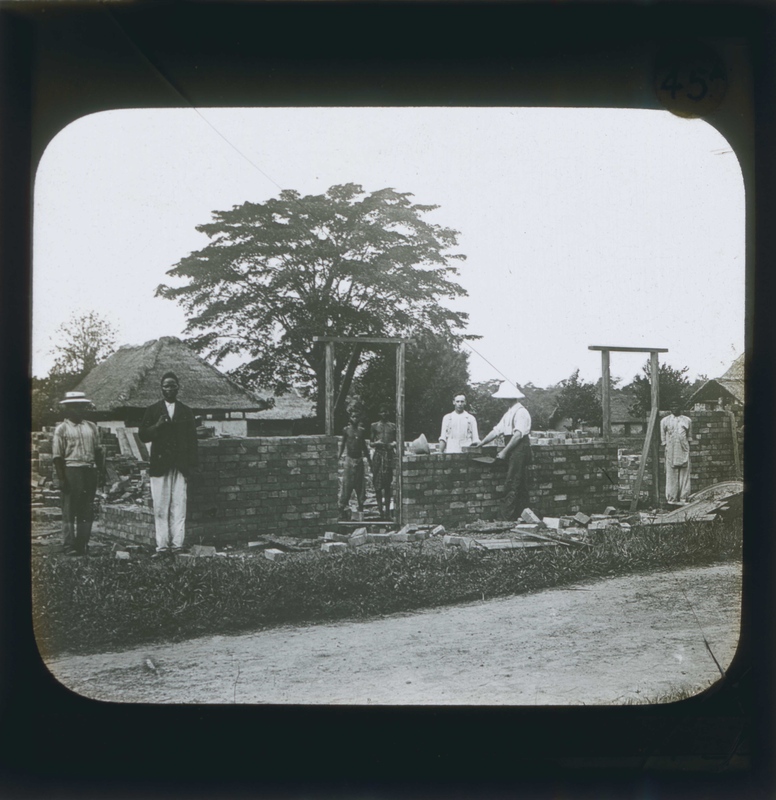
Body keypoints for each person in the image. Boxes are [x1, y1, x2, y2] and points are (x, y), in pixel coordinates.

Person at [139, 372, 199, 558]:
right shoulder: (152, 410)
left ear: (178, 387)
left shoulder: (186, 411)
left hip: (180, 465)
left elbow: (192, 441)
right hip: (160, 464)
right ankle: (162, 547)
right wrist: (157, 426)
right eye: (166, 386)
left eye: (173, 385)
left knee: (179, 506)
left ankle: (177, 546)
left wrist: (191, 466)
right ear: (161, 388)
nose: (169, 389)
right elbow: (143, 435)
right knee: (160, 506)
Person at [52, 391, 105, 556]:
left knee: (86, 509)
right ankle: (69, 545)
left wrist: (101, 472)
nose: (80, 410)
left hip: (89, 470)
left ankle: (83, 544)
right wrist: (62, 478)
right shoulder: (61, 429)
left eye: (82, 406)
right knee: (69, 509)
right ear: (68, 409)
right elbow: (57, 457)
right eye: (76, 407)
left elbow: (97, 451)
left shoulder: (91, 427)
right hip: (71, 470)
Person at [473, 382, 533, 520]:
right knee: (520, 484)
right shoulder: (509, 413)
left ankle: (504, 518)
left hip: (520, 449)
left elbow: (518, 435)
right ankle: (523, 516)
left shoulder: (521, 412)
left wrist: (505, 452)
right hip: (513, 449)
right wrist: (482, 442)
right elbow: (497, 430)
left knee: (512, 483)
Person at [338, 410, 372, 518]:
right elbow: (343, 444)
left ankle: (361, 506)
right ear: (350, 418)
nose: (355, 419)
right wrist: (338, 457)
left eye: (356, 417)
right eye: (353, 417)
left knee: (360, 484)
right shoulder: (346, 430)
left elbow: (364, 447)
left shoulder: (361, 431)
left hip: (359, 459)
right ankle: (342, 506)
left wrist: (369, 461)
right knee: (347, 484)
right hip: (349, 459)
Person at [660, 404, 692, 505]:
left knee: (684, 475)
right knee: (671, 475)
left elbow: (689, 436)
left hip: (683, 449)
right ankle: (672, 499)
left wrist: (685, 447)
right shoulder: (665, 421)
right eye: (672, 406)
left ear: (680, 408)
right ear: (670, 408)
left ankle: (684, 498)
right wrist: (667, 446)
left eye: (676, 406)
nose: (674, 408)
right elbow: (663, 438)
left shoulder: (687, 420)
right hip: (671, 450)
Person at [370, 404, 397, 520]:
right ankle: (380, 511)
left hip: (389, 455)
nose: (384, 414)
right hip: (378, 455)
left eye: (386, 412)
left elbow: (397, 441)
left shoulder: (393, 426)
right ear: (379, 414)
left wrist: (393, 444)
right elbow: (371, 442)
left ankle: (387, 512)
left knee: (387, 484)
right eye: (382, 412)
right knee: (377, 484)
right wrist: (377, 443)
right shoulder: (374, 426)